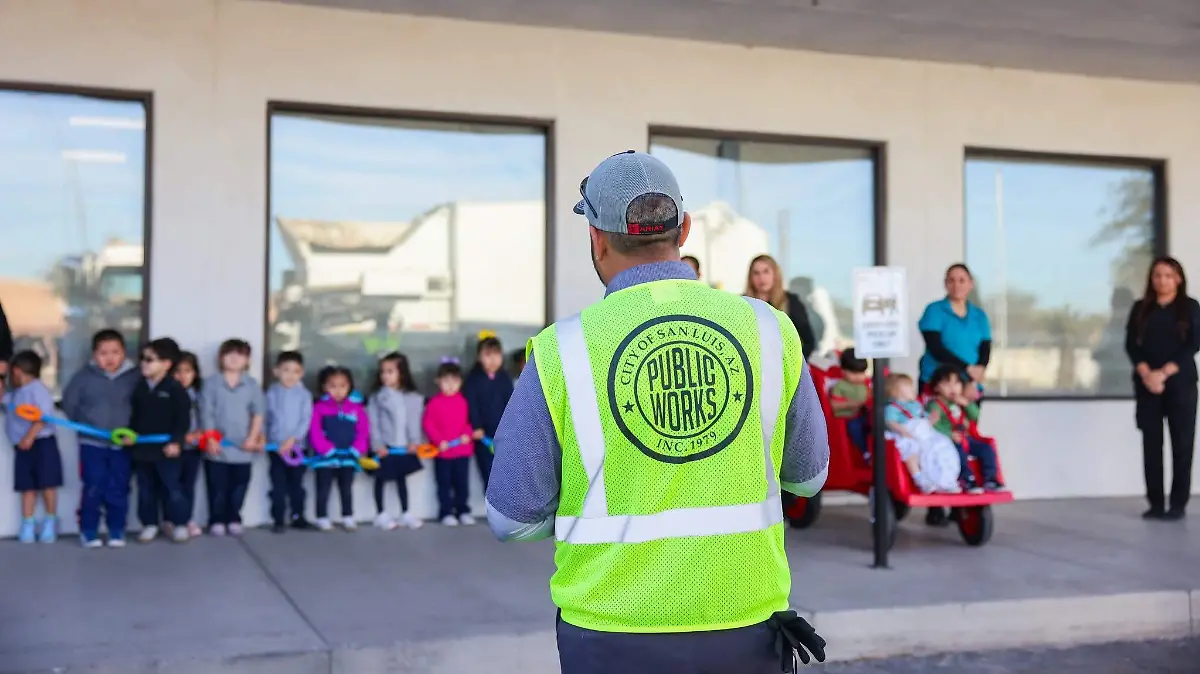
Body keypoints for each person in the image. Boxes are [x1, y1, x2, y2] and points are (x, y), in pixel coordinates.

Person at [486, 151, 829, 673]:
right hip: (746, 628)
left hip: (612, 635)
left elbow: (510, 518)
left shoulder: (563, 349)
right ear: (685, 230)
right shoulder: (768, 329)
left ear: (596, 238)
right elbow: (809, 478)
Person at [1125, 256, 1200, 521]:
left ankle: (1177, 505)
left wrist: (1164, 373)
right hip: (1148, 386)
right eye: (1157, 275)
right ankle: (1155, 503)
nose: (1162, 280)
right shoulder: (1140, 309)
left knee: (1182, 444)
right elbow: (1132, 345)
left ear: (1178, 279)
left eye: (1168, 275)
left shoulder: (1190, 307)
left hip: (1180, 384)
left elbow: (1193, 343)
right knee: (1151, 445)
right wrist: (1147, 373)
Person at [917, 264, 991, 525]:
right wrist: (966, 371)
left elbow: (985, 349)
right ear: (945, 284)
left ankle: (963, 491)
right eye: (951, 280)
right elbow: (935, 347)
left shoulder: (979, 316)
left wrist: (974, 377)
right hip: (937, 383)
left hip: (968, 387)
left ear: (970, 283)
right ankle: (936, 501)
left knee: (965, 435)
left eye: (962, 280)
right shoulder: (935, 311)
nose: (957, 284)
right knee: (937, 438)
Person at [61, 329, 140, 547]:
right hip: (91, 444)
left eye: (115, 352)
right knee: (93, 487)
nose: (110, 358)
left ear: (124, 352)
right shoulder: (83, 376)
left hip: (122, 445)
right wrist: (86, 425)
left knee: (119, 488)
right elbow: (70, 403)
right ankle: (89, 530)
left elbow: (142, 407)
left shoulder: (134, 377)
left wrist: (133, 431)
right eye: (103, 353)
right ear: (94, 355)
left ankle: (116, 530)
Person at [127, 338, 192, 543]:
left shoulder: (176, 389)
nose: (144, 363)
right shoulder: (139, 388)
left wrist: (176, 442)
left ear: (166, 364)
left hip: (167, 450)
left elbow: (183, 420)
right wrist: (130, 435)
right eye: (142, 359)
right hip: (143, 449)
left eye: (150, 359)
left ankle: (180, 523)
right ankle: (150, 524)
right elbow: (133, 417)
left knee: (172, 488)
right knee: (146, 490)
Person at [201, 338, 266, 536]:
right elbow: (206, 412)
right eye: (229, 353)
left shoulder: (252, 385)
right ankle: (217, 519)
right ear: (221, 358)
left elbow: (258, 413)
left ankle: (234, 517)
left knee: (239, 487)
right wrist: (210, 438)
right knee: (216, 487)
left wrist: (253, 438)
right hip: (217, 448)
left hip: (244, 448)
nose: (234, 358)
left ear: (247, 360)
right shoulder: (211, 383)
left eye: (240, 354)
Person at [4, 350, 63, 544]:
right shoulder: (16, 394)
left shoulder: (38, 390)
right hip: (22, 447)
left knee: (48, 484)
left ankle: (50, 521)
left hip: (41, 443)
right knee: (26, 486)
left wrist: (29, 437)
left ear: (17, 371)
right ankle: (27, 523)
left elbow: (42, 418)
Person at [367, 351, 425, 530]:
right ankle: (381, 514)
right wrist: (377, 445)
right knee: (381, 479)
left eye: (390, 371)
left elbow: (414, 421)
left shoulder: (412, 398)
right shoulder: (377, 398)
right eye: (383, 371)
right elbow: (373, 423)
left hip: (403, 447)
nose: (385, 375)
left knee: (401, 479)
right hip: (385, 447)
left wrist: (414, 441)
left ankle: (405, 513)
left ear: (402, 373)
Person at [925, 365, 1003, 494]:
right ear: (936, 387)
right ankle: (966, 479)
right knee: (958, 450)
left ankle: (990, 479)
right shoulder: (935, 405)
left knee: (986, 448)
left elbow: (975, 416)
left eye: (956, 384)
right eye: (947, 384)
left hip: (965, 439)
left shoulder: (960, 403)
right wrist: (949, 434)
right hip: (947, 441)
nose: (952, 388)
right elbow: (932, 425)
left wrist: (967, 404)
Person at [310, 365, 367, 531]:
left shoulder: (356, 409)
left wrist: (357, 448)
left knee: (346, 488)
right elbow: (314, 430)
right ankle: (321, 517)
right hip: (325, 458)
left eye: (343, 386)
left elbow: (363, 430)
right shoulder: (319, 408)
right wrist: (324, 448)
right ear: (324, 387)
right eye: (333, 386)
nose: (338, 390)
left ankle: (348, 516)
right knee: (323, 488)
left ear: (349, 386)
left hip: (348, 457)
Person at [883, 373, 961, 494]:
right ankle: (919, 478)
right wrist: (902, 430)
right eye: (909, 388)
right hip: (907, 434)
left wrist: (931, 420)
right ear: (896, 391)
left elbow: (923, 419)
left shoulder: (915, 405)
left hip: (924, 434)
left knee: (941, 445)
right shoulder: (893, 407)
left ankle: (945, 479)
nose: (913, 390)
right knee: (911, 449)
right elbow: (889, 421)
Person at [266, 350, 314, 533]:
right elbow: (266, 419)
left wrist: (293, 440)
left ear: (301, 373)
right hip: (276, 449)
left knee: (297, 484)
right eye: (286, 370)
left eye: (295, 371)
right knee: (278, 485)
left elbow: (305, 420)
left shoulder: (304, 395)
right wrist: (268, 439)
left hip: (297, 448)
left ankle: (298, 516)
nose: (290, 375)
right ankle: (278, 518)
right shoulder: (271, 393)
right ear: (276, 371)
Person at [424, 358, 475, 527]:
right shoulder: (433, 403)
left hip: (462, 451)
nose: (451, 385)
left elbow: (469, 423)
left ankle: (463, 511)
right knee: (444, 484)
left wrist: (467, 434)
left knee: (462, 484)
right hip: (443, 452)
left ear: (460, 382)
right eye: (446, 381)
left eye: (454, 381)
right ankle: (446, 512)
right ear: (438, 382)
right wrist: (439, 441)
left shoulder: (463, 401)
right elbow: (428, 424)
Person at [462, 332, 514, 489]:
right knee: (489, 473)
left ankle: (507, 511)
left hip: (504, 434)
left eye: (497, 355)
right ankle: (492, 510)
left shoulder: (505, 378)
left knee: (507, 473)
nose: (492, 360)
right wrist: (476, 427)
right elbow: (471, 404)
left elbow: (511, 403)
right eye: (487, 355)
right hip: (483, 436)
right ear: (479, 357)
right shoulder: (473, 380)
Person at [744, 253, 818, 360]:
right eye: (756, 273)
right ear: (750, 277)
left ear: (775, 274)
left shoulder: (791, 303)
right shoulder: (742, 304)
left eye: (766, 271)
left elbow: (808, 342)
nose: (761, 278)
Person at [173, 351, 205, 538]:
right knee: (172, 487)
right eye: (178, 371)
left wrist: (201, 432)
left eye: (187, 371)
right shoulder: (168, 394)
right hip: (173, 448)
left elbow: (205, 417)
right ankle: (173, 519)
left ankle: (187, 519)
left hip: (193, 449)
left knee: (189, 485)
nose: (182, 376)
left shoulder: (198, 396)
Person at [830, 349, 869, 455]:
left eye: (861, 373)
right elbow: (834, 405)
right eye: (854, 373)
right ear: (843, 371)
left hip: (863, 415)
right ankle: (865, 451)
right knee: (855, 428)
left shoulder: (865, 384)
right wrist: (854, 403)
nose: (858, 377)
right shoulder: (840, 385)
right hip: (849, 418)